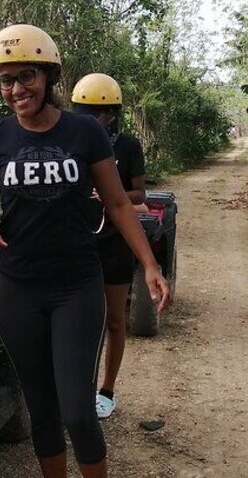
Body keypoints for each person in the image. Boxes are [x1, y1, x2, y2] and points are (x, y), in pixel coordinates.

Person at [0, 24, 172, 478]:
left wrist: (150, 264)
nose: (16, 89)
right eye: (6, 80)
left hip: (76, 286)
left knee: (78, 412)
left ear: (48, 76)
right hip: (17, 288)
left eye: (26, 76)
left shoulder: (84, 133)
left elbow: (119, 202)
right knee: (42, 411)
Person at [71, 73, 146, 420]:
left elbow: (138, 195)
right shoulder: (68, 142)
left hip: (113, 243)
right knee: (80, 322)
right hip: (78, 242)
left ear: (112, 115)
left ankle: (107, 390)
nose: (88, 119)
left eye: (96, 114)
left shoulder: (127, 146)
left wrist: (110, 195)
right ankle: (76, 388)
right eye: (81, 111)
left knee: (114, 320)